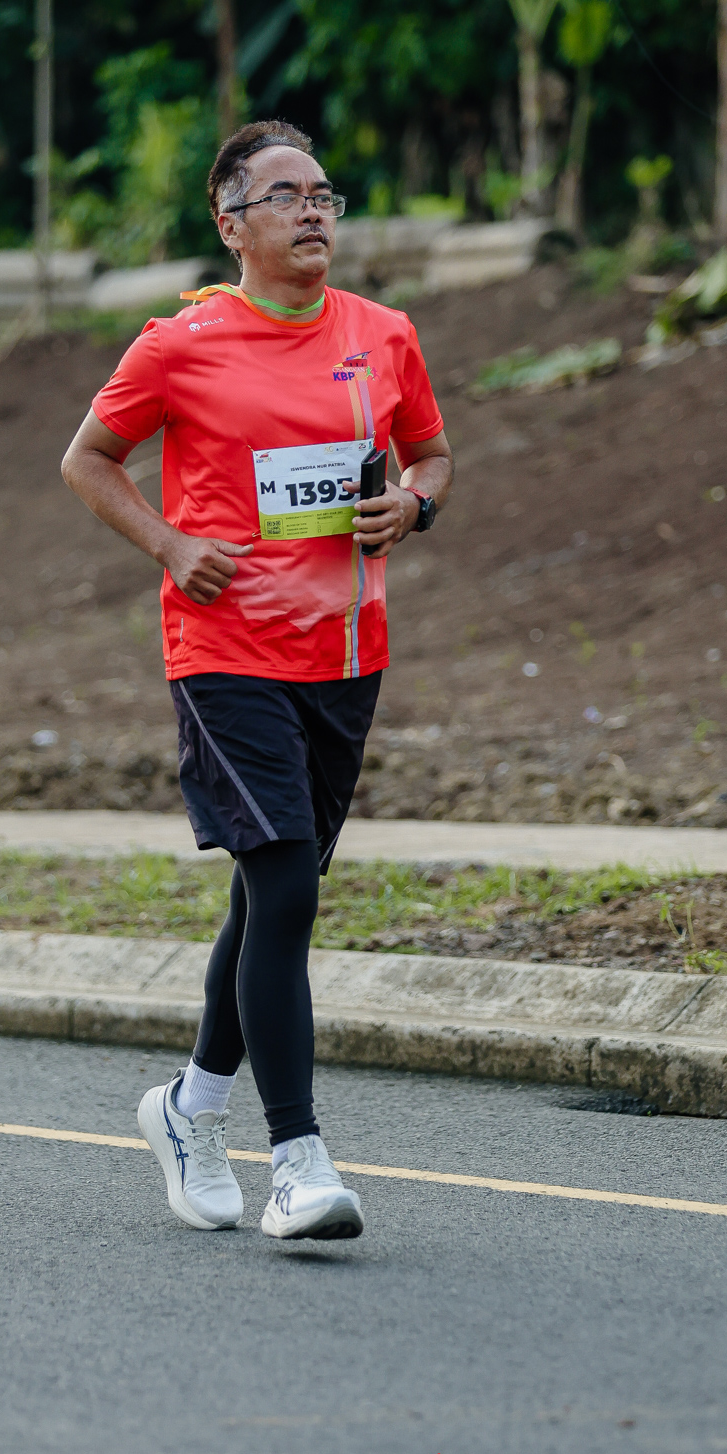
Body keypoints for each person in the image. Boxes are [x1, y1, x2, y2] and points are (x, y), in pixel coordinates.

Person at [60, 118, 452, 1242]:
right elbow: (87, 459)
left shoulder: (382, 334)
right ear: (231, 225)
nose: (313, 209)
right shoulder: (179, 344)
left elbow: (431, 454)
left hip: (345, 654)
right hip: (225, 650)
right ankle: (299, 1162)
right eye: (285, 195)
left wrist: (414, 504)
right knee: (284, 887)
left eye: (324, 193)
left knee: (271, 890)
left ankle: (187, 1107)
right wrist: (171, 545)